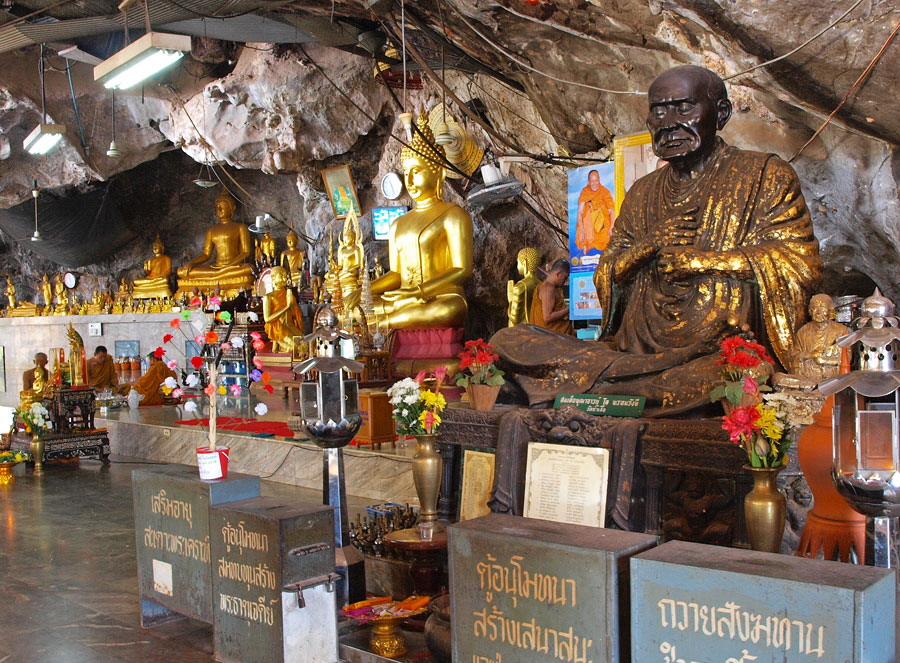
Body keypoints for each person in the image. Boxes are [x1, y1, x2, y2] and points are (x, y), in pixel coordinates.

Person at [491, 65, 821, 415]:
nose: (668, 122)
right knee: (507, 341)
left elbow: (799, 262)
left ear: (720, 114)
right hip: (632, 354)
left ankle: (608, 390)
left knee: (730, 374)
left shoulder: (765, 175)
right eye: (659, 111)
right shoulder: (642, 192)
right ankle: (630, 387)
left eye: (684, 108)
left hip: (709, 352)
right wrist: (645, 248)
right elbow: (607, 272)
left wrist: (704, 261)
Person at [371, 112, 473, 329]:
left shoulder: (454, 215)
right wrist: (367, 290)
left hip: (439, 297)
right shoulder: (398, 224)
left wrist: (419, 291)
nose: (409, 181)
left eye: (416, 172)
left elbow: (462, 270)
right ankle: (382, 321)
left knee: (448, 310)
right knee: (359, 309)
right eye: (406, 172)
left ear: (439, 174)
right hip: (403, 298)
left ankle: (382, 324)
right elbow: (397, 274)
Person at [176, 189, 254, 297]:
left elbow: (246, 252)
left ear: (232, 208)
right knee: (181, 271)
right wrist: (191, 263)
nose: (219, 209)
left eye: (223, 206)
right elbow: (206, 255)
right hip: (216, 268)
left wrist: (229, 266)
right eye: (217, 207)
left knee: (249, 269)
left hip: (232, 267)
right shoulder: (211, 230)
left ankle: (217, 276)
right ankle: (216, 276)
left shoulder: (241, 227)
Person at [792, 294, 849, 380]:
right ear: (810, 311)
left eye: (822, 307)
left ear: (830, 310)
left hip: (833, 379)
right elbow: (795, 356)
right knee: (778, 378)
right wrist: (811, 354)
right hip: (807, 378)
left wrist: (823, 360)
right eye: (814, 308)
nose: (818, 312)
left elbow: (847, 359)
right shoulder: (803, 332)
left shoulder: (842, 331)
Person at [263, 266, 304, 353]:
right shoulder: (269, 297)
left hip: (290, 326)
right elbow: (267, 319)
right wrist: (287, 307)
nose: (285, 278)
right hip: (279, 328)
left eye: (286, 276)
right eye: (281, 276)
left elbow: (295, 315)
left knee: (305, 344)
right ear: (273, 278)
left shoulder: (288, 295)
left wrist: (293, 307)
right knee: (294, 347)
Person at [575, 170, 616, 253]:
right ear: (588, 181)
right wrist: (582, 228)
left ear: (599, 179)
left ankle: (591, 245)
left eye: (596, 180)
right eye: (592, 181)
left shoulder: (605, 191)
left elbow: (611, 210)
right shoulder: (585, 191)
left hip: (602, 223)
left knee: (608, 237)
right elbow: (580, 212)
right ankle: (590, 244)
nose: (594, 183)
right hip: (589, 222)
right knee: (581, 237)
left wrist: (612, 226)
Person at [530, 259, 573, 335]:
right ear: (558, 274)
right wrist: (569, 309)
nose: (565, 281)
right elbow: (547, 317)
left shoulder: (554, 287)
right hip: (550, 338)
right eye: (565, 277)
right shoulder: (548, 289)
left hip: (558, 335)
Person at [507, 247, 541, 327]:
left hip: (523, 332)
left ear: (524, 263)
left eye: (518, 262)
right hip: (538, 329)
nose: (518, 266)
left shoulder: (520, 287)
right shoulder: (541, 285)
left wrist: (511, 300)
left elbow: (514, 318)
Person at [133, 235, 173, 299]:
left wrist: (159, 276)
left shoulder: (166, 258)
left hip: (160, 279)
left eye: (157, 246)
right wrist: (146, 268)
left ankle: (153, 287)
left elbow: (168, 271)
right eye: (154, 246)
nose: (155, 248)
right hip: (151, 279)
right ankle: (146, 289)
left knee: (165, 280)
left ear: (161, 247)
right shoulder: (150, 260)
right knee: (136, 281)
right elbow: (149, 273)